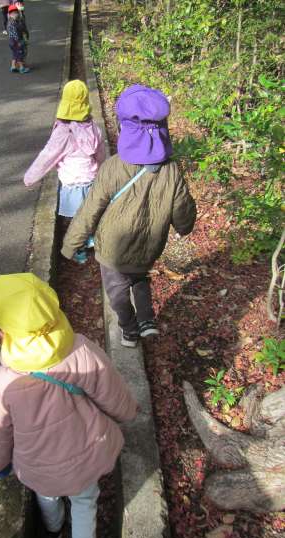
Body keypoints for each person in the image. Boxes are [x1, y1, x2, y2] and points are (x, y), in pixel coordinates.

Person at [0, 273, 138, 538]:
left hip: (39, 468)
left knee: (47, 497)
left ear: (2, 333)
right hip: (85, 458)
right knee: (85, 504)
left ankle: (54, 531)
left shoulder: (1, 383)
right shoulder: (81, 350)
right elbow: (112, 392)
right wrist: (127, 412)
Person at [61, 84, 197, 348]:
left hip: (113, 251)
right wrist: (184, 227)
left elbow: (90, 210)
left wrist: (70, 244)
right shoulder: (171, 170)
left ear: (124, 128)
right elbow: (184, 215)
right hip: (149, 246)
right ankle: (147, 320)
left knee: (117, 291)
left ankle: (130, 330)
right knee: (139, 277)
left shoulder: (113, 167)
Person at [24, 80, 106, 263]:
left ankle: (80, 251)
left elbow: (47, 156)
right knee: (89, 215)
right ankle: (91, 238)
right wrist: (101, 168)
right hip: (91, 180)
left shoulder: (63, 132)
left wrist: (30, 177)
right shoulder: (93, 128)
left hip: (72, 184)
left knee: (75, 222)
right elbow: (100, 153)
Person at [7, 3, 30, 73]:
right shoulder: (12, 23)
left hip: (12, 41)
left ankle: (13, 66)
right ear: (10, 15)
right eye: (13, 13)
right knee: (19, 54)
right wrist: (18, 41)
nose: (15, 15)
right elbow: (15, 33)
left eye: (16, 13)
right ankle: (21, 68)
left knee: (15, 54)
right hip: (15, 41)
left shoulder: (16, 21)